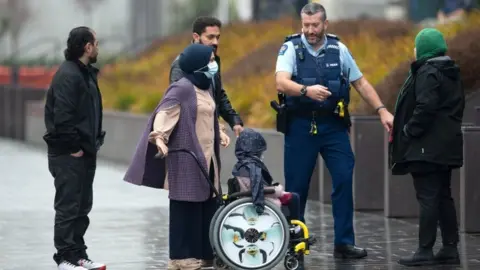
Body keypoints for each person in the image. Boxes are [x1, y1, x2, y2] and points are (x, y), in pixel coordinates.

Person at [274, 2, 394, 259]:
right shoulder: (290, 48)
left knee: (342, 178)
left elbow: (359, 82)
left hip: (333, 126)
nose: (309, 30)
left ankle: (344, 243)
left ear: (325, 24)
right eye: (305, 25)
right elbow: (281, 82)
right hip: (300, 126)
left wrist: (382, 109)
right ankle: (295, 242)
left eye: (314, 25)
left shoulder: (339, 49)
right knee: (297, 188)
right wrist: (307, 91)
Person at [123, 43, 231, 270]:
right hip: (187, 155)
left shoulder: (206, 87)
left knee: (207, 203)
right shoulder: (181, 88)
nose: (214, 64)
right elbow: (165, 112)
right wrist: (160, 137)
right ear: (197, 63)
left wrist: (220, 131)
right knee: (185, 205)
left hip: (208, 158)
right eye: (210, 60)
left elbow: (209, 113)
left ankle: (205, 253)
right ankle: (180, 257)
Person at [390, 28, 464, 267]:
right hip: (446, 146)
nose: (413, 50)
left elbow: (426, 106)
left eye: (416, 46)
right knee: (444, 195)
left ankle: (425, 249)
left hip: (427, 148)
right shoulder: (451, 71)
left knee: (428, 197)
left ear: (424, 49)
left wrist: (409, 130)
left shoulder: (428, 71)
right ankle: (450, 247)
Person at [43, 26, 106, 270]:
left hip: (85, 152)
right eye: (96, 43)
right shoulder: (68, 75)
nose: (98, 47)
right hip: (69, 154)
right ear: (87, 46)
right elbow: (63, 115)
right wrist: (73, 147)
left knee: (82, 206)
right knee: (68, 206)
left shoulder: (84, 72)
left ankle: (78, 254)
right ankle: (65, 257)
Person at [229, 128, 308, 269]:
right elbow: (258, 190)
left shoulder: (241, 166)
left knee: (289, 196)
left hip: (247, 200)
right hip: (263, 203)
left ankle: (294, 226)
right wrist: (277, 189)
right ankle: (294, 228)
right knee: (293, 197)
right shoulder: (253, 167)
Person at [169, 16, 244, 137]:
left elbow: (218, 93)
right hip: (191, 138)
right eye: (210, 37)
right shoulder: (181, 64)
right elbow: (178, 103)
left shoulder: (212, 60)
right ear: (196, 37)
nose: (215, 42)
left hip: (210, 134)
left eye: (217, 37)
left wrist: (234, 120)